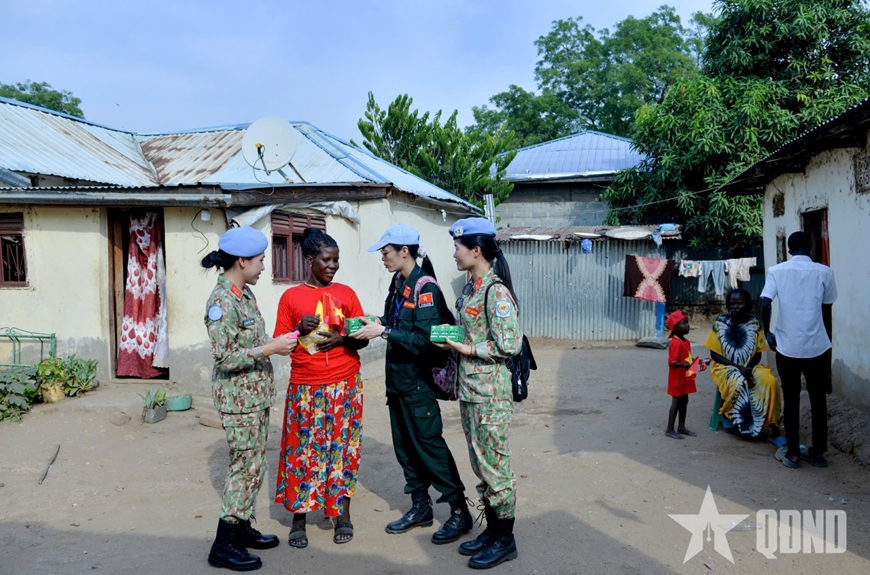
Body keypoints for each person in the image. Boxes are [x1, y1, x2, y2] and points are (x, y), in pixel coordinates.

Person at [349, 224, 472, 545]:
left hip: (418, 385)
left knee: (430, 448)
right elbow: (393, 322)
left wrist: (384, 332)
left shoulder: (425, 288)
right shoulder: (398, 283)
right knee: (405, 449)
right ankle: (420, 507)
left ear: (404, 251)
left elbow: (426, 342)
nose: (383, 258)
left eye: (386, 252)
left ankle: (459, 511)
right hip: (397, 384)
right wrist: (376, 322)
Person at [202, 226, 297, 572]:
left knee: (254, 464)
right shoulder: (221, 302)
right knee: (245, 466)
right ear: (241, 261)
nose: (264, 267)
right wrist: (269, 349)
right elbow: (225, 357)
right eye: (260, 260)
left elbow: (254, 340)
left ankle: (241, 528)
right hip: (238, 399)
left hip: (254, 396)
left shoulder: (244, 294)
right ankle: (223, 544)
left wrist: (280, 342)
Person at [435, 217, 522, 570]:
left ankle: (506, 540)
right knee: (481, 465)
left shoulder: (495, 292)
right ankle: (492, 530)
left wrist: (468, 349)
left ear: (476, 251)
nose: (454, 254)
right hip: (471, 392)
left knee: (496, 468)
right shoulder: (471, 289)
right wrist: (451, 341)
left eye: (457, 248)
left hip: (490, 395)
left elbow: (509, 344)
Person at [273, 228, 369, 547]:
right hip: (306, 386)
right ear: (309, 259)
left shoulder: (347, 294)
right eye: (326, 260)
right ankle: (299, 518)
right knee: (302, 452)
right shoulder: (290, 298)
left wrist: (342, 339)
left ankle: (342, 514)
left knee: (342, 449)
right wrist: (298, 329)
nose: (332, 266)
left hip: (345, 384)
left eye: (336, 260)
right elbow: (280, 343)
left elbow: (362, 338)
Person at [761, 231, 838, 469]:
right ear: (811, 247)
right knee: (818, 399)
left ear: (788, 249)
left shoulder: (776, 271)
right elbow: (827, 306)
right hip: (817, 346)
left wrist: (767, 332)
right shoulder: (825, 272)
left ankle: (793, 453)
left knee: (791, 398)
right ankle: (818, 452)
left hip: (787, 346)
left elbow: (765, 303)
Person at [705, 289, 781, 439]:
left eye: (739, 303)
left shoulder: (755, 324)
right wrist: (738, 367)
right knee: (739, 382)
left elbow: (758, 354)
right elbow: (714, 355)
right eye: (732, 303)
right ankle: (735, 418)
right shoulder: (720, 323)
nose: (735, 307)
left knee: (769, 381)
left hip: (750, 366)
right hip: (725, 367)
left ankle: (769, 421)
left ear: (747, 305)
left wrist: (748, 368)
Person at [664, 311, 704, 440]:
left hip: (685, 376)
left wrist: (698, 361)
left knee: (684, 400)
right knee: (676, 402)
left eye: (687, 323)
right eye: (684, 323)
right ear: (675, 327)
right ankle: (670, 429)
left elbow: (687, 357)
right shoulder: (675, 343)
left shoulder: (686, 342)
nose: (687, 326)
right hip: (677, 378)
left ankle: (681, 426)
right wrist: (684, 365)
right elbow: (672, 362)